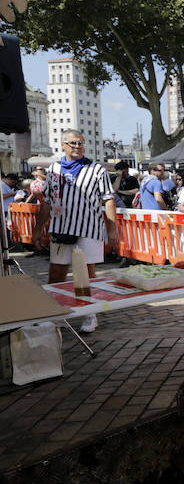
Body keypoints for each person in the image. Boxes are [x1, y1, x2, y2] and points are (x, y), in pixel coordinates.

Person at [35, 129, 120, 333]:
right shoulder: (54, 169)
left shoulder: (96, 169)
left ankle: (90, 314)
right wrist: (38, 229)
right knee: (56, 273)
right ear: (63, 145)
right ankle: (53, 314)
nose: (77, 146)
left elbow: (108, 199)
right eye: (72, 143)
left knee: (86, 274)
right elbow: (46, 201)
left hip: (88, 228)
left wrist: (112, 229)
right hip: (60, 228)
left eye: (80, 143)